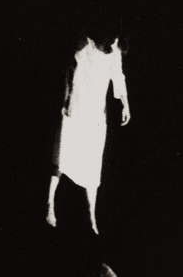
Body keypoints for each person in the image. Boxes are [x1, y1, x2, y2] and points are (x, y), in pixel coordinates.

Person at [47, 35, 130, 234]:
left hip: (95, 115)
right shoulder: (85, 44)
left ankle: (91, 216)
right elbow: (70, 70)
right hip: (77, 107)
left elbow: (118, 77)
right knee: (62, 153)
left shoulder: (115, 50)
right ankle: (49, 204)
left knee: (93, 165)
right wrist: (67, 100)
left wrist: (126, 104)